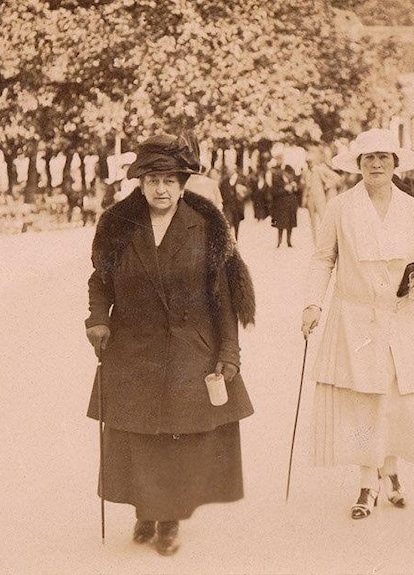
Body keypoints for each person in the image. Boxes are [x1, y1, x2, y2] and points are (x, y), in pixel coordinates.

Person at [85, 134, 256, 556]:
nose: (161, 189)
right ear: (140, 183)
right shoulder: (118, 226)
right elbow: (99, 282)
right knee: (138, 434)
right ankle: (145, 507)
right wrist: (97, 321)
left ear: (183, 184)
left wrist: (228, 354)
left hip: (188, 347)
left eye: (169, 180)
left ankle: (168, 520)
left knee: (176, 435)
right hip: (134, 346)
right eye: (152, 180)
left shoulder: (208, 228)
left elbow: (225, 298)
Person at [301, 128, 414, 520]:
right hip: (355, 320)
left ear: (395, 163)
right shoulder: (341, 208)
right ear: (358, 164)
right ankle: (366, 482)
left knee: (394, 402)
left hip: (400, 318)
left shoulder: (412, 209)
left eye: (384, 157)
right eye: (368, 158)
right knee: (363, 403)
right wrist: (312, 304)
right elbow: (323, 257)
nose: (376, 164)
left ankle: (390, 472)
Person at [270, 164, 300, 248]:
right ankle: (279, 242)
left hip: (291, 205)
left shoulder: (293, 180)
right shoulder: (278, 179)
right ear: (285, 173)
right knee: (280, 225)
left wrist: (295, 188)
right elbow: (274, 192)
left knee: (290, 224)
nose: (290, 176)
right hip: (281, 206)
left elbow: (298, 193)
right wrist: (285, 190)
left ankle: (288, 241)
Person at [219, 163, 247, 239]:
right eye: (228, 170)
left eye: (230, 170)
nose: (228, 171)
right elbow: (221, 192)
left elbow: (248, 191)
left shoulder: (241, 179)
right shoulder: (224, 181)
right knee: (228, 222)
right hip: (228, 205)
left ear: (234, 170)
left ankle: (236, 238)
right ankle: (230, 240)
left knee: (237, 223)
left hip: (238, 205)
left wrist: (242, 191)